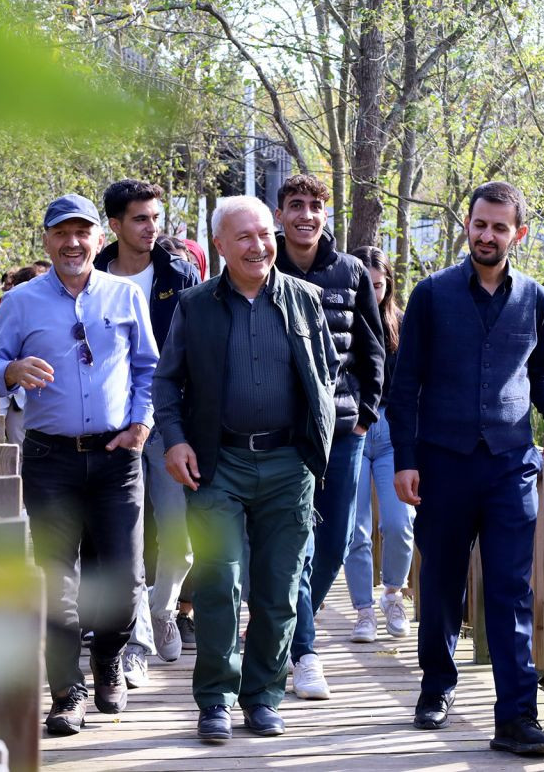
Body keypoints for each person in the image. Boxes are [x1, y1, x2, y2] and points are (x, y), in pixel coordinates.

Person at [387, 181, 544, 756]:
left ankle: (516, 717)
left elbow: (541, 371)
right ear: (466, 226)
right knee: (441, 584)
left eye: (500, 227)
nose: (487, 235)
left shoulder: (534, 298)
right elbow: (405, 385)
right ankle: (437, 686)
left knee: (512, 589)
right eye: (480, 224)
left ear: (518, 234)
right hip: (442, 464)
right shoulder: (431, 295)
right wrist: (406, 460)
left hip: (511, 465)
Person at [152, 196, 337, 743]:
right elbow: (166, 382)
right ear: (220, 246)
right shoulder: (195, 304)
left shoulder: (305, 299)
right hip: (218, 464)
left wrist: (317, 447)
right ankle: (215, 698)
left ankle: (263, 695)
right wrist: (176, 440)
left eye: (265, 234)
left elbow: (325, 377)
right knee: (219, 582)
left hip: (288, 465)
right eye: (245, 237)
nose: (259, 246)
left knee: (279, 591)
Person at [0, 193, 159, 737]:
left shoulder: (124, 296)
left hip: (117, 458)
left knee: (123, 582)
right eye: (61, 233)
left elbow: (150, 369)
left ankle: (108, 660)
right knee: (57, 583)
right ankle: (67, 693)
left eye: (82, 233)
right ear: (47, 241)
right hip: (51, 460)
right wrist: (10, 372)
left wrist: (141, 423)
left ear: (99, 238)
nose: (72, 243)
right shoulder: (21, 303)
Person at [272, 174, 384, 700]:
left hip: (343, 430)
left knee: (334, 542)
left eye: (316, 206)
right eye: (296, 205)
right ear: (280, 214)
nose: (306, 216)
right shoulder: (259, 266)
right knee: (297, 540)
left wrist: (365, 414)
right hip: (281, 432)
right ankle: (304, 653)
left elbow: (372, 348)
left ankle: (285, 624)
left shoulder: (351, 271)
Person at [93, 179, 200, 687]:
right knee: (124, 539)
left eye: (156, 217)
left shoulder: (179, 272)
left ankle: (164, 607)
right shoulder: (90, 275)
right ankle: (134, 641)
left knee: (178, 539)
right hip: (113, 424)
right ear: (114, 225)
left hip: (170, 418)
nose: (151, 227)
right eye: (140, 218)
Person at [342, 245, 414, 642]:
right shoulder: (341, 323)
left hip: (392, 432)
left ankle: (392, 593)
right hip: (353, 429)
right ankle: (363, 611)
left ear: (388, 285)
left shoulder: (401, 324)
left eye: (378, 285)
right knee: (356, 530)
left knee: (399, 523)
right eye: (364, 285)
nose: (372, 292)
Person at [0, 264, 44, 448]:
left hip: (32, 397)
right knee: (15, 444)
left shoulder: (46, 313)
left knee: (22, 444)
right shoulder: (3, 308)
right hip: (10, 390)